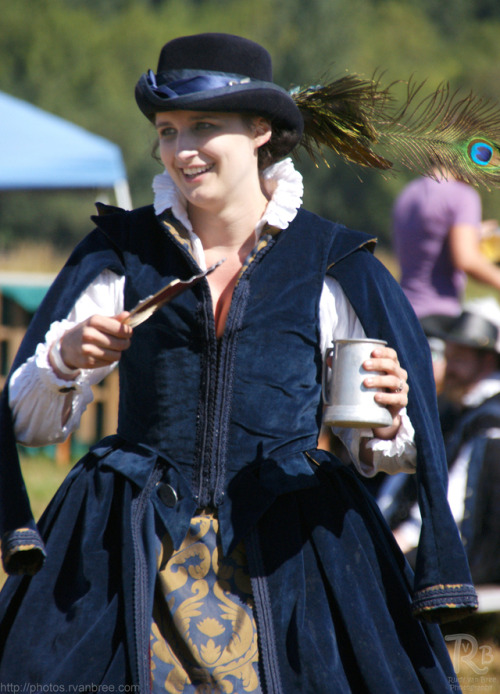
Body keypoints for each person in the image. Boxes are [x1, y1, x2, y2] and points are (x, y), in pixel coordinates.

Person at [0, 33, 477, 693]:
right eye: (167, 131)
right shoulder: (121, 251)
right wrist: (62, 360)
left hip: (294, 552)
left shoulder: (331, 262)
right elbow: (28, 426)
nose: (181, 149)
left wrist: (390, 417)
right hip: (129, 546)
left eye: (203, 126)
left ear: (260, 131)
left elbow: (392, 451)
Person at [385, 298, 500, 585]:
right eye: (448, 357)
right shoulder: (460, 408)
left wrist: (405, 538)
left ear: (486, 361)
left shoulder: (490, 422)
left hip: (464, 556)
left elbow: (458, 505)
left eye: (459, 360)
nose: (448, 369)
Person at [392, 168, 500, 327]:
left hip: (403, 310)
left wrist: (474, 232)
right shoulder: (462, 195)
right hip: (439, 317)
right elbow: (466, 258)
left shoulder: (409, 192)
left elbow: (430, 239)